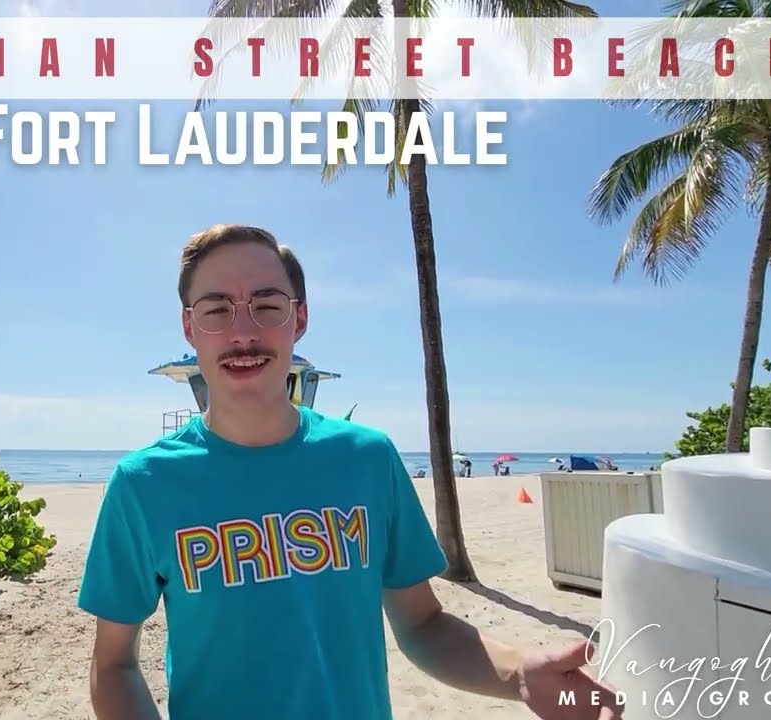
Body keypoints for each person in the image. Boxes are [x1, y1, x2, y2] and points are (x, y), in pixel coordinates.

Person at [77, 224, 622, 720]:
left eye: (267, 305)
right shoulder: (144, 484)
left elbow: (423, 624)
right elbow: (113, 664)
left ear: (301, 318)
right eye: (216, 309)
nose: (243, 331)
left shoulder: (367, 459)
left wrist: (519, 675)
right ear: (189, 328)